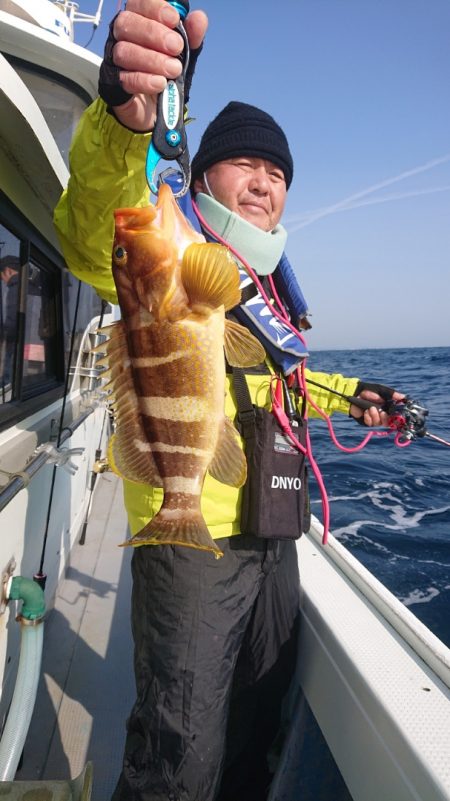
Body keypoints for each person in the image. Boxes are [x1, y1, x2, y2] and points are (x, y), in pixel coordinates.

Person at [54, 3, 405, 799]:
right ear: (201, 175)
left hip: (273, 536)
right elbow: (91, 225)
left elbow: (276, 383)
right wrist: (123, 121)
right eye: (246, 163)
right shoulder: (168, 252)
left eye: (278, 173)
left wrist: (355, 399)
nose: (265, 182)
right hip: (192, 544)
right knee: (178, 755)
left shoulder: (269, 291)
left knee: (255, 725)